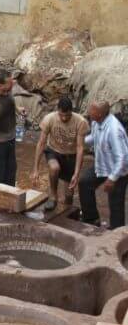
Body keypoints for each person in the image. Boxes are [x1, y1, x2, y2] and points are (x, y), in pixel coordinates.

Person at [31, 97, 89, 212]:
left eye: (67, 115)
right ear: (57, 110)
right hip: (54, 151)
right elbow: (41, 143)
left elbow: (80, 148)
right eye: (61, 115)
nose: (64, 118)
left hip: (71, 155)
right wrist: (35, 168)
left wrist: (77, 173)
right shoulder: (49, 119)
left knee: (69, 196)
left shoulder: (80, 122)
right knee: (54, 168)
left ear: (71, 112)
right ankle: (53, 196)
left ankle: (68, 211)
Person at [79, 102, 128, 230]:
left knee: (115, 203)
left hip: (118, 171)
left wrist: (112, 179)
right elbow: (94, 137)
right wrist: (79, 142)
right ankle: (91, 219)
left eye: (91, 110)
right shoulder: (96, 122)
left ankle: (117, 234)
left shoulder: (114, 130)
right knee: (84, 183)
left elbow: (123, 157)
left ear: (99, 114)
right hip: (102, 165)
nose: (88, 111)